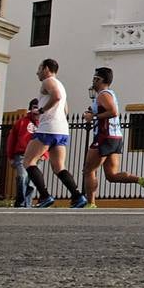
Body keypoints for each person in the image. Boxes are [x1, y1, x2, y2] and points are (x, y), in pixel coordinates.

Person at [80, 66, 144, 206]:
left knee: (88, 170)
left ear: (103, 81)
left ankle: (91, 204)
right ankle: (142, 181)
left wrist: (93, 117)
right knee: (111, 175)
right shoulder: (107, 94)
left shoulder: (103, 94)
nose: (93, 81)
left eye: (96, 79)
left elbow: (113, 112)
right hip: (114, 137)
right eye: (93, 78)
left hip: (104, 136)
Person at [23, 58, 87, 208]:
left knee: (28, 161)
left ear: (46, 68)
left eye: (39, 68)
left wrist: (41, 111)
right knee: (59, 166)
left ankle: (44, 196)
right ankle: (78, 196)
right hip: (62, 130)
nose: (37, 72)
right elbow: (65, 109)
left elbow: (56, 97)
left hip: (48, 128)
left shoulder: (48, 82)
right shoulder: (61, 85)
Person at [5, 99, 39, 208]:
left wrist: (44, 155)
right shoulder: (21, 122)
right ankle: (20, 201)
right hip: (21, 155)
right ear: (30, 109)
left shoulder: (44, 123)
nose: (37, 110)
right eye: (35, 107)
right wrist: (10, 157)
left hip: (36, 156)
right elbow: (12, 140)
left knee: (32, 182)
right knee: (22, 177)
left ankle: (27, 204)